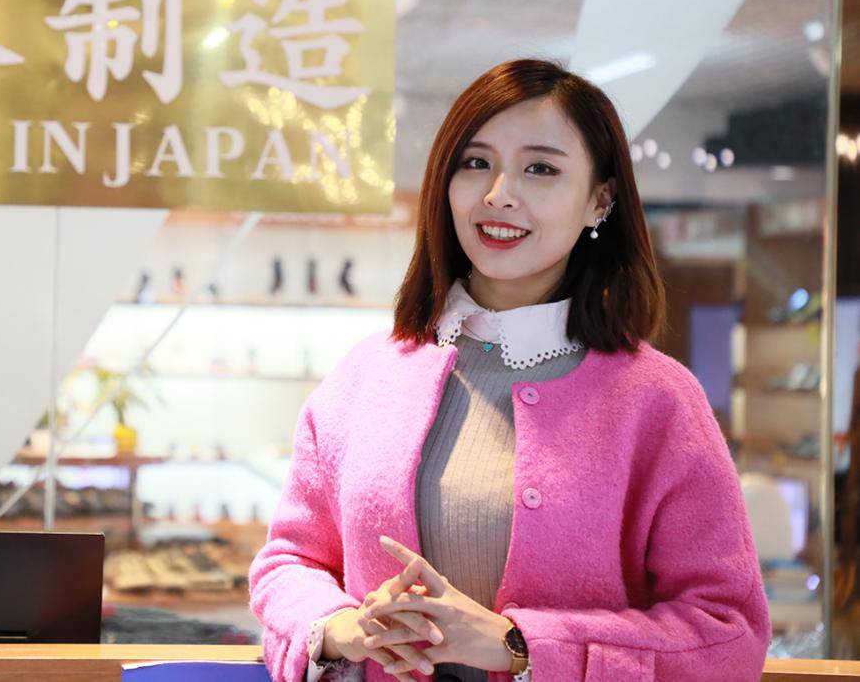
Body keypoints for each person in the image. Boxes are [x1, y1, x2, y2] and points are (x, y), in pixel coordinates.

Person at [248, 59, 770, 682]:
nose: (498, 194)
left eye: (540, 168)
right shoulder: (366, 375)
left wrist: (519, 646)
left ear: (599, 200)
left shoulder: (658, 401)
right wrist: (342, 629)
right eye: (476, 162)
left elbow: (727, 632)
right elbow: (288, 562)